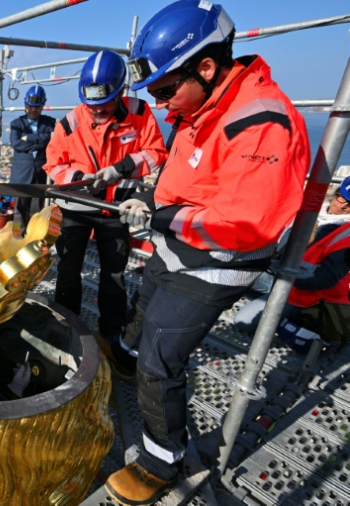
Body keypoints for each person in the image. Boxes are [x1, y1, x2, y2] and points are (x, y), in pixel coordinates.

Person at [105, 2, 311, 504]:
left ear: (206, 66)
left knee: (161, 354)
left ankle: (161, 461)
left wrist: (162, 218)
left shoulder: (261, 121)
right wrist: (150, 200)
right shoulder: (199, 107)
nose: (160, 104)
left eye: (164, 89)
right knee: (141, 310)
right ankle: (124, 363)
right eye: (153, 94)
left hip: (221, 261)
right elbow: (191, 178)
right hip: (178, 245)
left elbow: (246, 224)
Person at [43, 50, 167, 343]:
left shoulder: (139, 113)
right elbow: (52, 163)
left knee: (113, 274)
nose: (96, 111)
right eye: (91, 105)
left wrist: (121, 169)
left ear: (121, 92)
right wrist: (79, 180)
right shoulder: (71, 123)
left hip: (114, 208)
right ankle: (66, 324)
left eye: (104, 104)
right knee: (69, 269)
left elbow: (156, 153)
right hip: (77, 206)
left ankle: (112, 334)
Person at [234, 178, 350, 348]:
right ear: (336, 193)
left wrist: (285, 272)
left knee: (242, 322)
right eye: (341, 198)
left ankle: (289, 316)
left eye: (349, 204)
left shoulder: (346, 236)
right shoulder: (311, 209)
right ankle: (274, 305)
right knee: (235, 266)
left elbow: (325, 279)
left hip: (303, 294)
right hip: (278, 273)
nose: (342, 206)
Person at [9, 85, 57, 234]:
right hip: (22, 174)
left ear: (42, 106)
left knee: (38, 209)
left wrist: (29, 138)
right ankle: (17, 236)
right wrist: (41, 142)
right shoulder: (17, 124)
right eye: (30, 107)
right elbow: (16, 143)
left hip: (40, 173)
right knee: (19, 210)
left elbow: (54, 139)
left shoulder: (49, 122)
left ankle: (35, 236)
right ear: (25, 106)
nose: (33, 110)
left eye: (37, 107)